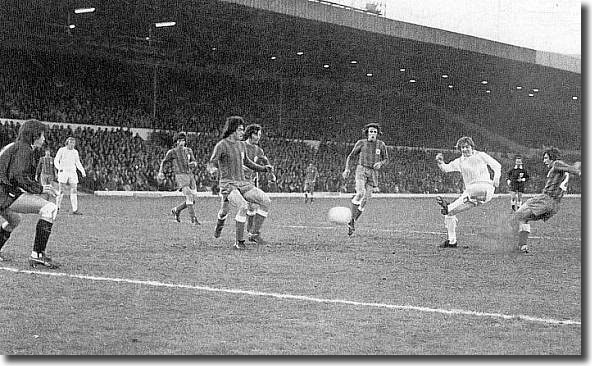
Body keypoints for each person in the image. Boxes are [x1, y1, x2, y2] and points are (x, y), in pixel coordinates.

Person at [0, 119, 60, 267]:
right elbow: (17, 176)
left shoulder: (15, 146)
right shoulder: (24, 149)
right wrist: (39, 189)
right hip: (3, 193)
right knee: (49, 209)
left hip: (3, 192)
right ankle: (37, 254)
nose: (44, 138)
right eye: (42, 135)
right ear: (34, 135)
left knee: (14, 220)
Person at [207, 116, 273, 250]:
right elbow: (211, 163)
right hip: (228, 184)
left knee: (266, 201)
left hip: (243, 183)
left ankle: (253, 233)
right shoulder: (222, 145)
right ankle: (239, 242)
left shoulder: (241, 145)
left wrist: (263, 169)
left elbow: (247, 162)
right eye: (240, 130)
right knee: (241, 206)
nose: (243, 132)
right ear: (233, 130)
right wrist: (213, 170)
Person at [435, 136, 502, 248]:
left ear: (472, 147)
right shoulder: (459, 161)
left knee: (468, 192)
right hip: (473, 195)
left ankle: (449, 206)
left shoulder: (481, 155)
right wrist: (440, 162)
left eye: (467, 147)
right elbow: (446, 169)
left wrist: (496, 178)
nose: (465, 149)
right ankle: (452, 241)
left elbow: (497, 165)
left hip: (485, 188)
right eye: (462, 148)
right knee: (449, 214)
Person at [511, 147, 581, 253]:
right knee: (523, 218)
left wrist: (578, 170)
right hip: (554, 205)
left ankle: (508, 240)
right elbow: (573, 170)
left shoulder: (556, 163)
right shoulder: (563, 168)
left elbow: (576, 171)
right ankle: (522, 246)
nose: (544, 161)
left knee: (516, 216)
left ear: (552, 158)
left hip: (546, 199)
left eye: (546, 158)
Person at [342, 123, 389, 236]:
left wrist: (381, 163)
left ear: (377, 134)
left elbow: (386, 159)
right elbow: (350, 156)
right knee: (360, 193)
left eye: (375, 132)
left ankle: (352, 222)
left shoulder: (381, 145)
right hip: (361, 170)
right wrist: (347, 169)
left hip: (373, 173)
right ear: (367, 132)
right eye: (371, 131)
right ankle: (351, 220)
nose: (373, 134)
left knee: (365, 200)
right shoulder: (361, 143)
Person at [157, 132, 200, 225]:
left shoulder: (189, 150)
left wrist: (194, 164)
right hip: (180, 176)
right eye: (179, 140)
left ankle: (176, 210)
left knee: (193, 198)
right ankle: (193, 219)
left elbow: (194, 161)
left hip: (190, 175)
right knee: (189, 196)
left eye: (183, 140)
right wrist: (160, 172)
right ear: (176, 142)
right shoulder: (172, 152)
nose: (181, 142)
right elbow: (164, 162)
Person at [242, 124, 275, 239]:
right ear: (251, 134)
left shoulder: (258, 150)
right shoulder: (241, 146)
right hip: (238, 182)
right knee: (264, 202)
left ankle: (250, 231)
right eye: (257, 134)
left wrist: (271, 174)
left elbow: (266, 162)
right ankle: (253, 233)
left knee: (251, 207)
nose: (259, 137)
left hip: (249, 182)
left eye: (260, 135)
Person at [54, 137, 86, 215]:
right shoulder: (62, 150)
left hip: (72, 172)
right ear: (67, 142)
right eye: (71, 142)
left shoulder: (75, 152)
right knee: (61, 190)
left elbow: (77, 162)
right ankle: (57, 207)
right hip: (63, 172)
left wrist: (82, 171)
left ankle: (75, 209)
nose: (72, 144)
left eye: (73, 143)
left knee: (74, 189)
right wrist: (59, 168)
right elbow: (56, 160)